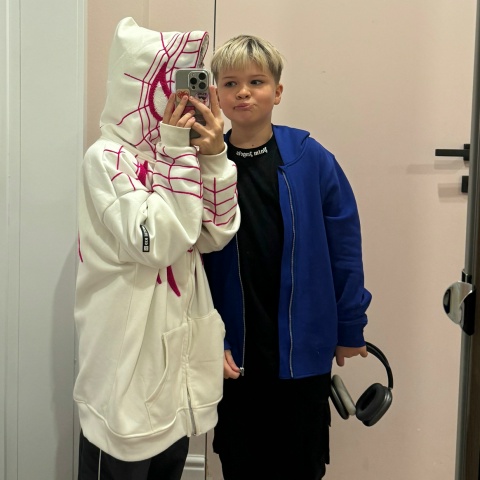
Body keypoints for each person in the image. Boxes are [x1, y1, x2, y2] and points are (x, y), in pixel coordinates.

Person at [73, 17, 240, 480]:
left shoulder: (176, 152)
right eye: (173, 87)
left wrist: (213, 158)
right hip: (125, 378)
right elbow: (158, 242)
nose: (182, 100)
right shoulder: (105, 159)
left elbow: (213, 234)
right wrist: (176, 153)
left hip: (175, 374)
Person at [203, 34, 372, 480]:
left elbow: (345, 248)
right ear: (216, 94)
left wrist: (350, 326)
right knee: (240, 462)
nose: (243, 92)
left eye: (256, 82)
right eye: (231, 83)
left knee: (301, 465)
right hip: (233, 351)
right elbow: (190, 264)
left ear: (277, 92)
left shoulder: (310, 158)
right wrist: (207, 339)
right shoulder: (203, 164)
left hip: (303, 351)